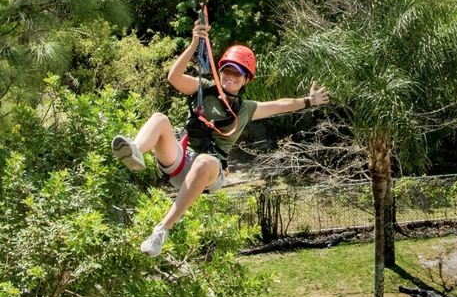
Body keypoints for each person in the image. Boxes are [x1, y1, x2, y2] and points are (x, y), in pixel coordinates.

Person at [111, 22, 329, 257]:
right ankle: (135, 150)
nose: (231, 77)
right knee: (159, 118)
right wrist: (195, 43)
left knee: (205, 161)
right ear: (220, 71)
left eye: (238, 73)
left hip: (210, 170)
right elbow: (174, 77)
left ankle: (162, 229)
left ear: (246, 80)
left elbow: (280, 105)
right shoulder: (203, 88)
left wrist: (309, 100)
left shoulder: (246, 109)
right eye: (227, 70)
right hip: (181, 160)